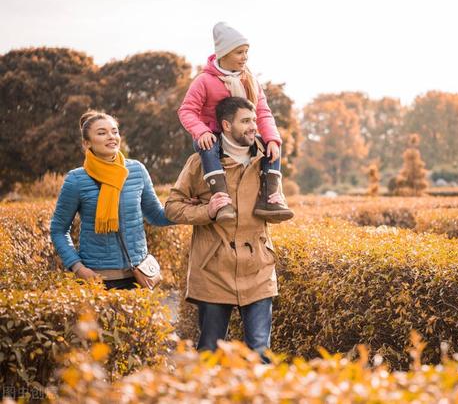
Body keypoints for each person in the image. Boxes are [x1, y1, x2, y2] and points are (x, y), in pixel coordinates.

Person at [165, 97, 290, 361]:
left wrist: (277, 204)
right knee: (210, 351)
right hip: (213, 270)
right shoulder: (199, 163)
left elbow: (277, 209)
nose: (253, 127)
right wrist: (207, 211)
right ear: (226, 125)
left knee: (260, 353)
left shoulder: (267, 161)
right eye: (245, 121)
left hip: (259, 269)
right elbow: (172, 208)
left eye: (255, 120)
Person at [178, 21, 293, 224]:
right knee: (209, 147)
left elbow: (263, 112)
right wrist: (201, 131)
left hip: (241, 133)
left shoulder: (250, 80)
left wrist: (272, 139)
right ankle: (222, 201)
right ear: (224, 54)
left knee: (272, 144)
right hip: (211, 135)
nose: (245, 57)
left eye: (246, 51)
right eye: (239, 52)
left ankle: (271, 198)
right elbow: (187, 110)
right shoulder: (204, 81)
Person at [50, 110, 173, 290]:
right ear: (87, 143)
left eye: (114, 131)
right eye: (102, 133)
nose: (111, 137)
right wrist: (78, 268)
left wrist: (186, 207)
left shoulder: (136, 170)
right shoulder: (76, 180)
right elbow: (58, 230)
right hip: (97, 279)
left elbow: (156, 215)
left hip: (138, 276)